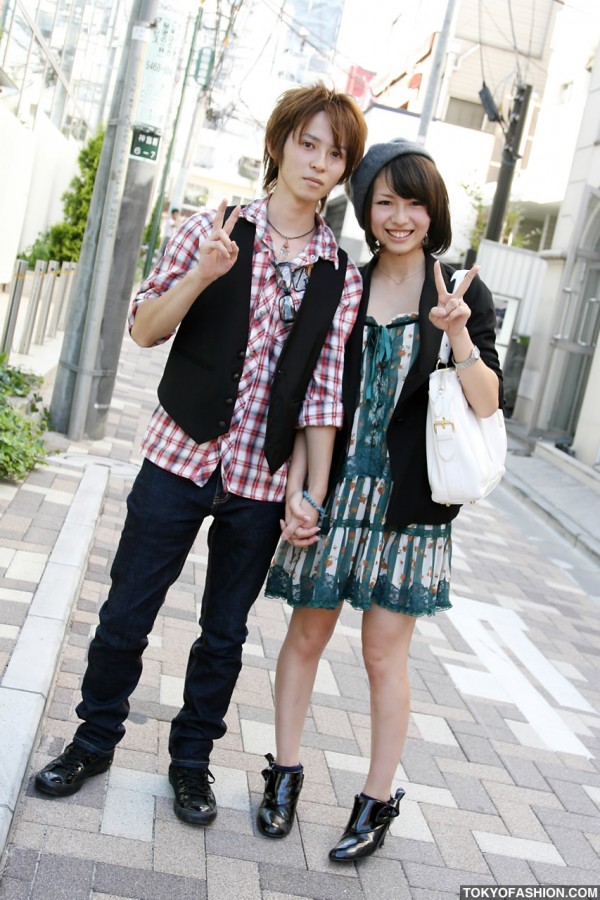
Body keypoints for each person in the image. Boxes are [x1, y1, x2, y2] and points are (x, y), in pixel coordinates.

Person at [34, 82, 367, 827]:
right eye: (307, 143)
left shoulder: (337, 272)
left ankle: (192, 765)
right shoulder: (209, 228)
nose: (318, 162)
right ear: (278, 143)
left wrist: (306, 490)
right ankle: (93, 741)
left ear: (344, 170)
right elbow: (145, 329)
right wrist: (203, 274)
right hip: (177, 458)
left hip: (260, 480)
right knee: (126, 611)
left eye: (335, 153)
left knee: (224, 636)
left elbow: (323, 392)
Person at [256, 138, 503, 861]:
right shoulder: (344, 283)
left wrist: (458, 333)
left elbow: (488, 404)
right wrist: (303, 491)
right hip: (337, 494)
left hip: (411, 508)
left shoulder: (462, 290)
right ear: (365, 209)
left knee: (382, 658)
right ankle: (286, 772)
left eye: (414, 201)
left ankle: (375, 798)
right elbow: (311, 397)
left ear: (435, 210)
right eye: (385, 201)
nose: (400, 216)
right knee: (306, 635)